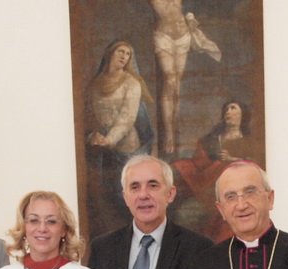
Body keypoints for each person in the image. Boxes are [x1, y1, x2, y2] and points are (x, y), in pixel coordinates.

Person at [86, 40, 155, 235]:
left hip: (126, 148)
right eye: (120, 51)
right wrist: (93, 136)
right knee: (106, 197)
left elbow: (127, 117)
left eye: (128, 54)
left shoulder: (132, 83)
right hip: (101, 149)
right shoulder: (94, 85)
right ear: (110, 53)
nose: (124, 56)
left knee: (125, 196)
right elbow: (89, 116)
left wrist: (109, 139)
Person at [171, 100, 263, 241]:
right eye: (226, 109)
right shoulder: (211, 140)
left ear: (242, 114)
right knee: (183, 214)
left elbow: (257, 169)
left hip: (235, 193)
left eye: (233, 108)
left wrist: (232, 160)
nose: (228, 112)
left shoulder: (249, 142)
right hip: (207, 189)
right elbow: (199, 163)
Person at [149, 0, 221, 155]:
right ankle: (168, 133)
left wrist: (190, 18)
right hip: (163, 37)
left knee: (177, 87)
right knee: (170, 80)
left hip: (183, 37)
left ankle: (174, 131)